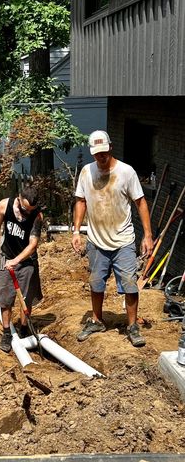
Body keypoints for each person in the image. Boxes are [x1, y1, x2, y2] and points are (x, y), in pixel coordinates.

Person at [71, 130, 153, 347]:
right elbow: (80, 201)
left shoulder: (126, 172)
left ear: (111, 147)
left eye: (104, 152)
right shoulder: (86, 172)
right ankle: (97, 320)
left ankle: (132, 325)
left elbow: (141, 202)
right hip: (96, 241)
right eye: (97, 154)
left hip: (123, 240)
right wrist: (76, 231)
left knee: (129, 284)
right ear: (92, 153)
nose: (101, 157)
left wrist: (148, 235)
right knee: (96, 283)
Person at [0, 184, 43, 352]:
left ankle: (24, 329)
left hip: (27, 261)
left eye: (30, 210)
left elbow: (33, 245)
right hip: (6, 257)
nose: (27, 213)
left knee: (26, 298)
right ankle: (6, 333)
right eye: (24, 209)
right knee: (5, 297)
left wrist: (17, 260)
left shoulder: (37, 216)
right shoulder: (4, 205)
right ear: (18, 198)